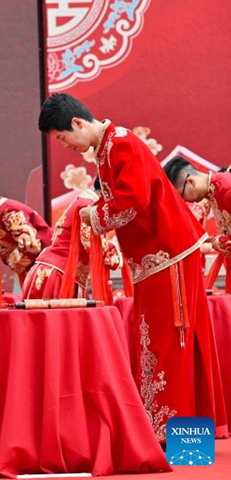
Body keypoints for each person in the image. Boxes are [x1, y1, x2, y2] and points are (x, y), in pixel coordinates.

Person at [39, 93, 228, 442]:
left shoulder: (121, 144)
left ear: (77, 123)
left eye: (64, 138)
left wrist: (93, 215)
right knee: (155, 342)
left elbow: (133, 201)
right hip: (153, 260)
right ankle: (168, 433)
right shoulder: (109, 147)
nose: (67, 146)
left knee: (173, 342)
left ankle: (180, 438)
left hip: (167, 256)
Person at [22, 177, 121, 299]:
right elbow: (92, 244)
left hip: (56, 271)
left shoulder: (83, 201)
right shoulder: (87, 206)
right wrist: (121, 253)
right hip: (59, 275)